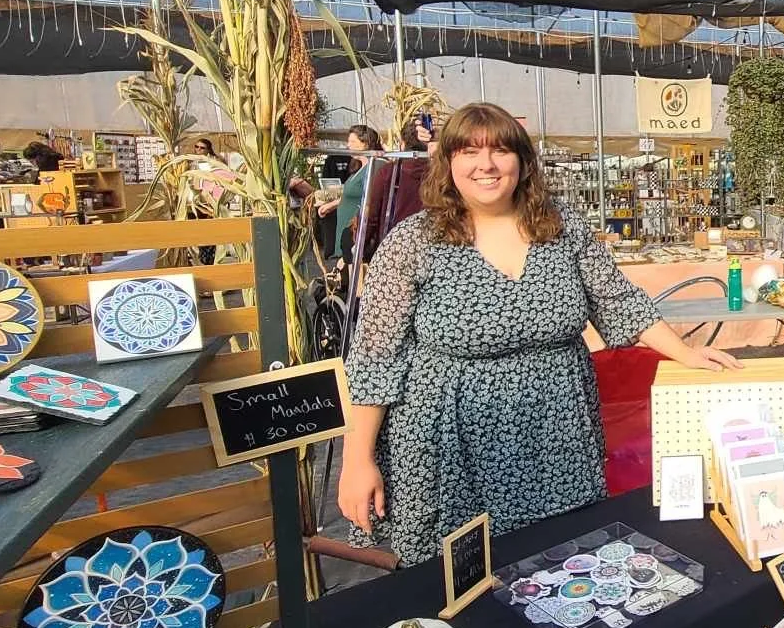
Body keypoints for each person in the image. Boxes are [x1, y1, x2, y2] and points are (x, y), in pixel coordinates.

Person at [338, 101, 741, 564]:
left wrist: (685, 353)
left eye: (500, 151)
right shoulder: (413, 241)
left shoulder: (561, 229)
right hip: (449, 445)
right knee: (461, 580)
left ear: (523, 163)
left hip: (556, 435)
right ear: (447, 162)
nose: (485, 165)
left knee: (559, 565)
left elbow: (616, 299)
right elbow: (375, 356)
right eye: (469, 152)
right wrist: (357, 458)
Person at [313, 125, 384, 259]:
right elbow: (349, 194)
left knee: (352, 270)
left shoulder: (374, 166)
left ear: (365, 144)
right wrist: (330, 206)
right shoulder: (358, 168)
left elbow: (371, 198)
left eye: (352, 142)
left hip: (355, 230)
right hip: (345, 229)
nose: (348, 145)